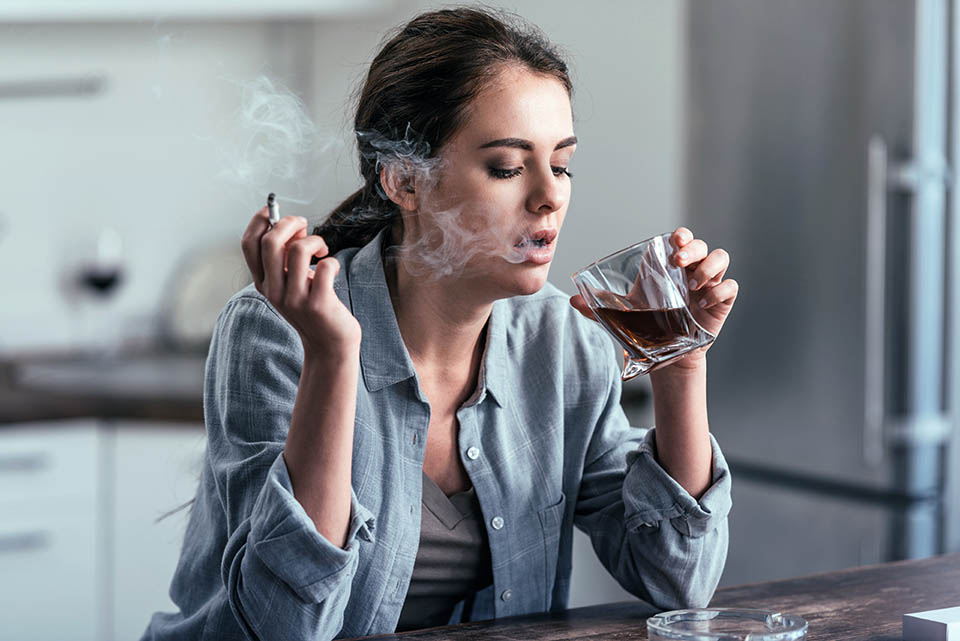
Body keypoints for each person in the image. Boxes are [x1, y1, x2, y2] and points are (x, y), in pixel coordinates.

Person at [142, 7, 738, 640]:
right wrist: (334, 358)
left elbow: (680, 581)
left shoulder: (560, 342)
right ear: (405, 180)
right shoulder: (277, 335)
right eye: (508, 167)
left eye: (561, 164)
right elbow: (285, 626)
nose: (550, 195)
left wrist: (680, 363)